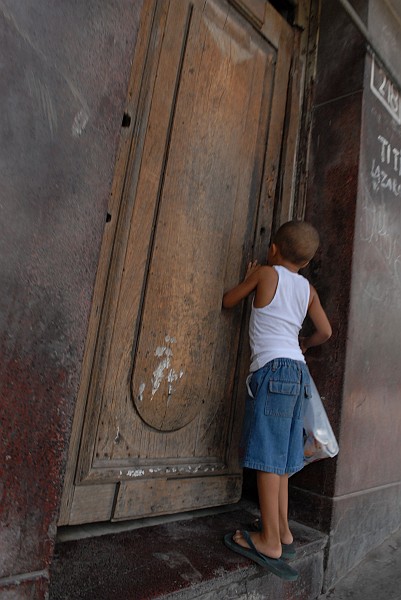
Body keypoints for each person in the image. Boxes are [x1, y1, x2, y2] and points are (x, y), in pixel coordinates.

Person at [222, 220, 332, 581]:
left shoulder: (267, 275)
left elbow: (228, 300)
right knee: (283, 460)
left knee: (268, 457)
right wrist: (305, 343)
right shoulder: (308, 290)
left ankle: (268, 540)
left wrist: (251, 276)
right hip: (299, 373)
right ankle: (282, 532)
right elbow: (325, 331)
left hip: (272, 372)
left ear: (272, 249)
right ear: (307, 261)